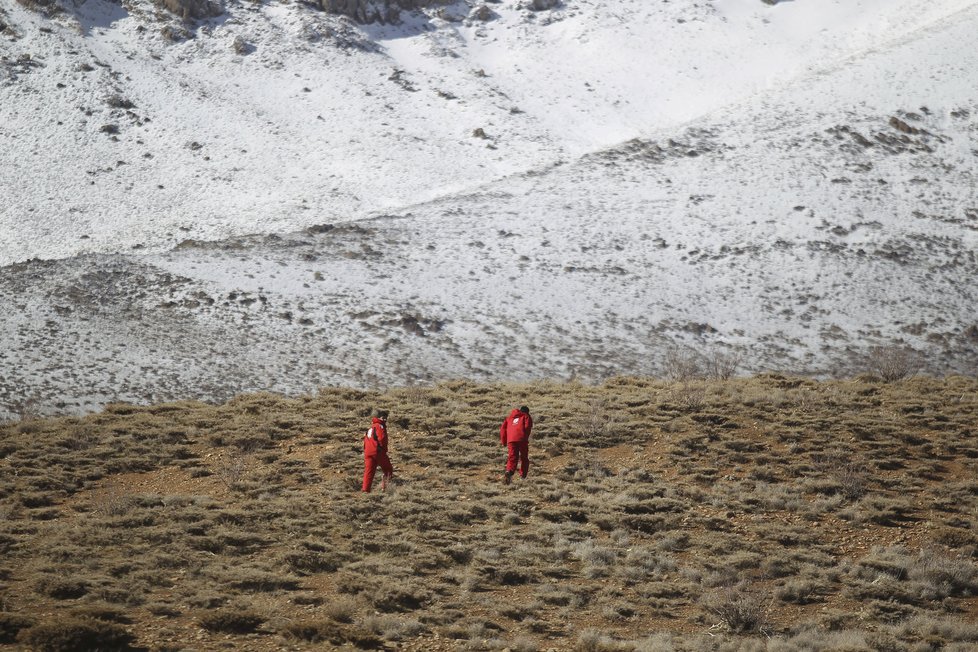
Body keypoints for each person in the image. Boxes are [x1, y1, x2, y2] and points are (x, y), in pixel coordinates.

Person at [362, 409, 394, 492]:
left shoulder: (371, 427)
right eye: (384, 417)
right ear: (380, 417)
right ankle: (385, 487)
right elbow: (382, 438)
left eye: (386, 418)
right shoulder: (380, 426)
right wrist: (383, 449)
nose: (385, 419)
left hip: (368, 452)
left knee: (369, 471)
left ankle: (365, 490)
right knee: (388, 469)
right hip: (377, 451)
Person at [500, 405, 532, 484]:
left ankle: (509, 471)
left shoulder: (509, 418)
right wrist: (525, 437)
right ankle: (523, 476)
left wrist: (504, 441)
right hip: (522, 439)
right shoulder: (526, 416)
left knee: (512, 457)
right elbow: (527, 426)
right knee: (524, 457)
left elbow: (503, 429)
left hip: (510, 440)